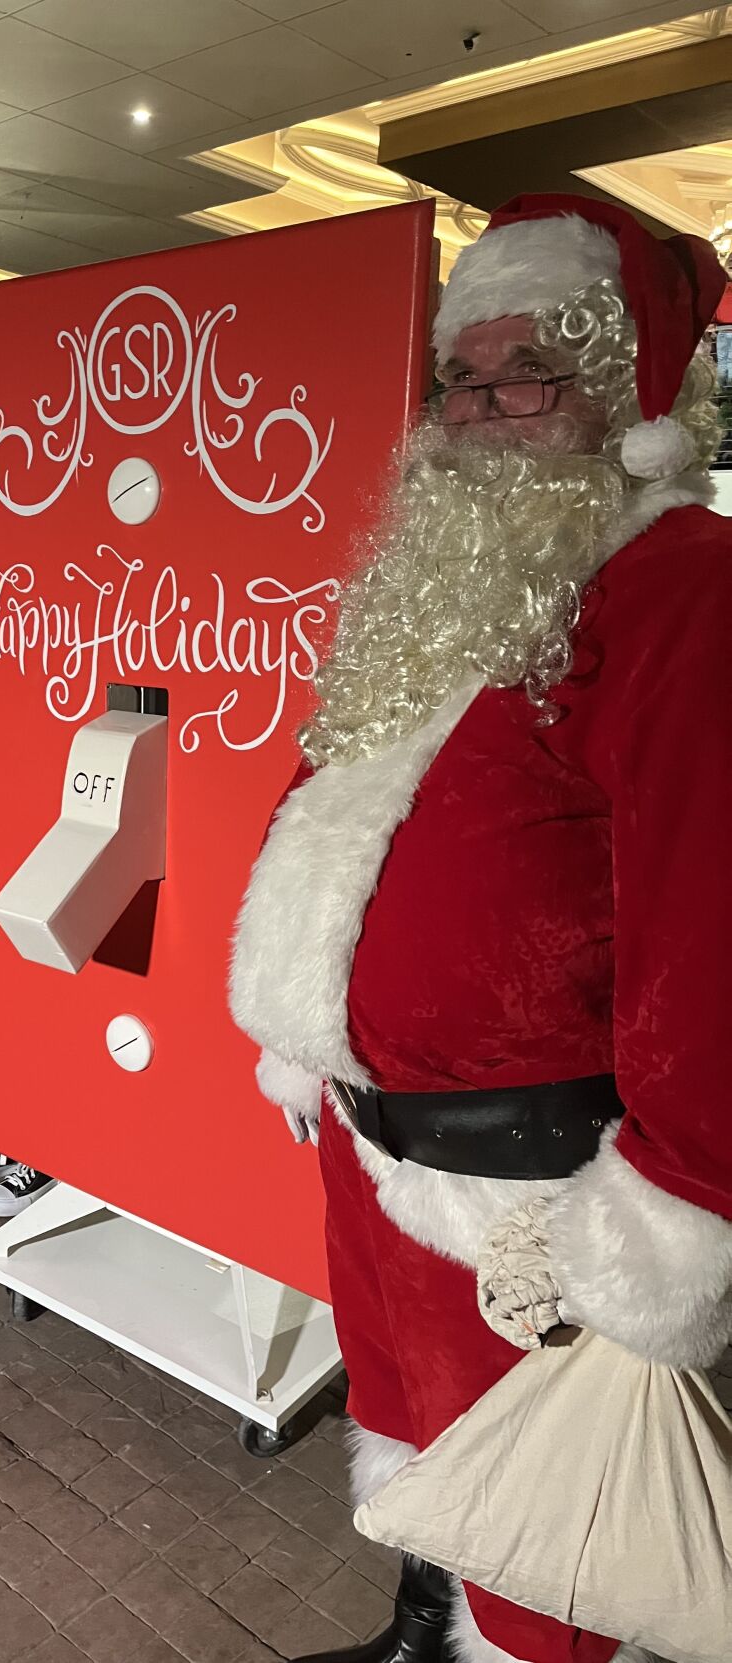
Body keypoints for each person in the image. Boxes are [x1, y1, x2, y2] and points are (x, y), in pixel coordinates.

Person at [231, 194, 728, 1663]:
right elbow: (335, 819)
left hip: (535, 1204)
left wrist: (672, 1205)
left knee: (550, 1558)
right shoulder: (438, 596)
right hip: (373, 1149)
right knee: (416, 1460)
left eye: (527, 372)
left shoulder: (676, 585)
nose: (479, 408)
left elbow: (710, 923)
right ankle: (420, 1627)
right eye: (461, 374)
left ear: (620, 402)